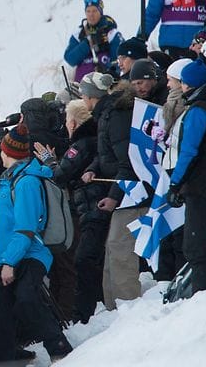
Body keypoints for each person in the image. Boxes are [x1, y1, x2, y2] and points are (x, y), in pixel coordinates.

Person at [0, 122, 73, 361]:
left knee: (27, 300)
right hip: (10, 252)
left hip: (27, 254)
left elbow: (26, 228)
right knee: (2, 308)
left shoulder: (25, 183)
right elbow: (14, 222)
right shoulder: (12, 180)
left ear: (7, 153)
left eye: (2, 150)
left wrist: (10, 262)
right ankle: (2, 356)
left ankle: (59, 348)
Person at [34, 99, 106, 323]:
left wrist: (50, 162)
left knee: (79, 262)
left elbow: (60, 175)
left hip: (85, 207)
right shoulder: (98, 138)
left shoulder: (80, 145)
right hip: (97, 203)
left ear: (73, 123)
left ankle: (76, 314)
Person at [80, 72, 146, 310]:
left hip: (131, 194)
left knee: (120, 249)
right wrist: (92, 168)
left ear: (90, 96)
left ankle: (127, 309)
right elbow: (106, 153)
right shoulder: (108, 114)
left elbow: (127, 161)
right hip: (123, 190)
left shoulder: (117, 115)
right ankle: (112, 311)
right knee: (113, 248)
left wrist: (114, 196)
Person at [164, 61, 206, 296]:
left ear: (188, 84)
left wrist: (176, 183)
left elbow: (189, 151)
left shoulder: (198, 110)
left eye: (182, 82)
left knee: (195, 247)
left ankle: (204, 296)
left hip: (202, 186)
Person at [65, 0, 122, 81]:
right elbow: (70, 59)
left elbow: (119, 60)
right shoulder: (79, 33)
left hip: (103, 83)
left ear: (100, 12)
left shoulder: (111, 33)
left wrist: (110, 74)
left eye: (94, 11)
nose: (91, 14)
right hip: (80, 84)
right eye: (88, 11)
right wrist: (88, 43)